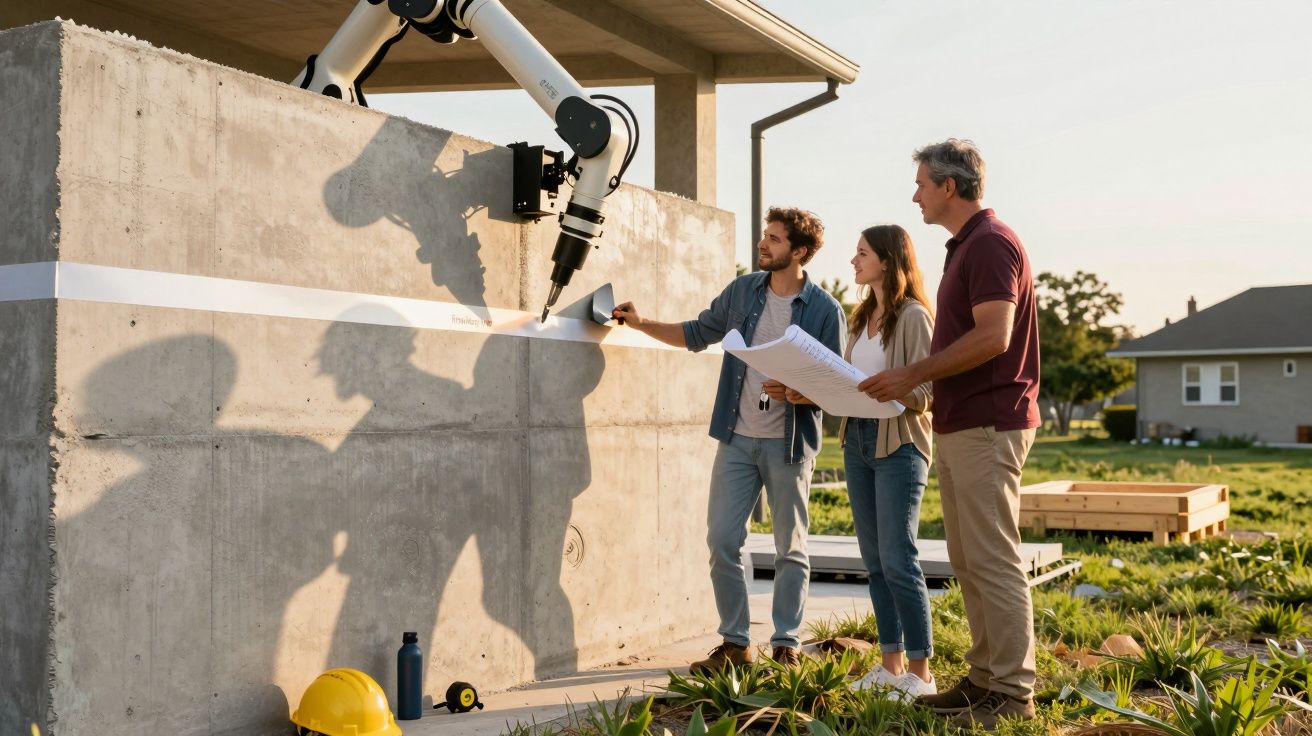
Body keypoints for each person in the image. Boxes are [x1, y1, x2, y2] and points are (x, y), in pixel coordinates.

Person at [612, 207, 846, 672]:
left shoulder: (824, 310)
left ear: (799, 252)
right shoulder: (743, 291)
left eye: (774, 239)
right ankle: (736, 644)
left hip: (789, 444)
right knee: (722, 539)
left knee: (790, 548)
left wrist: (800, 391)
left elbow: (835, 384)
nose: (763, 243)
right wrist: (641, 323)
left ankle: (786, 643)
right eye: (764, 235)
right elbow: (698, 333)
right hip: (737, 439)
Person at [861, 139, 1042, 728]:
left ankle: (1012, 694)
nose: (914, 193)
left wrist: (912, 373)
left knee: (993, 558)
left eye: (921, 183)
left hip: (990, 422)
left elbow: (994, 336)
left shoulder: (990, 244)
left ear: (950, 186)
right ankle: (985, 679)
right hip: (963, 423)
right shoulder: (965, 247)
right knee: (968, 559)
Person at [786, 225, 937, 699]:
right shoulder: (861, 317)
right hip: (857, 441)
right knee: (873, 562)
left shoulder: (913, 317)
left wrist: (894, 389)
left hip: (900, 445)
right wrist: (806, 390)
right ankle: (890, 666)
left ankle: (922, 674)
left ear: (889, 261)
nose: (853, 261)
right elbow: (849, 384)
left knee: (899, 559)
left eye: (862, 253)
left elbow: (930, 391)